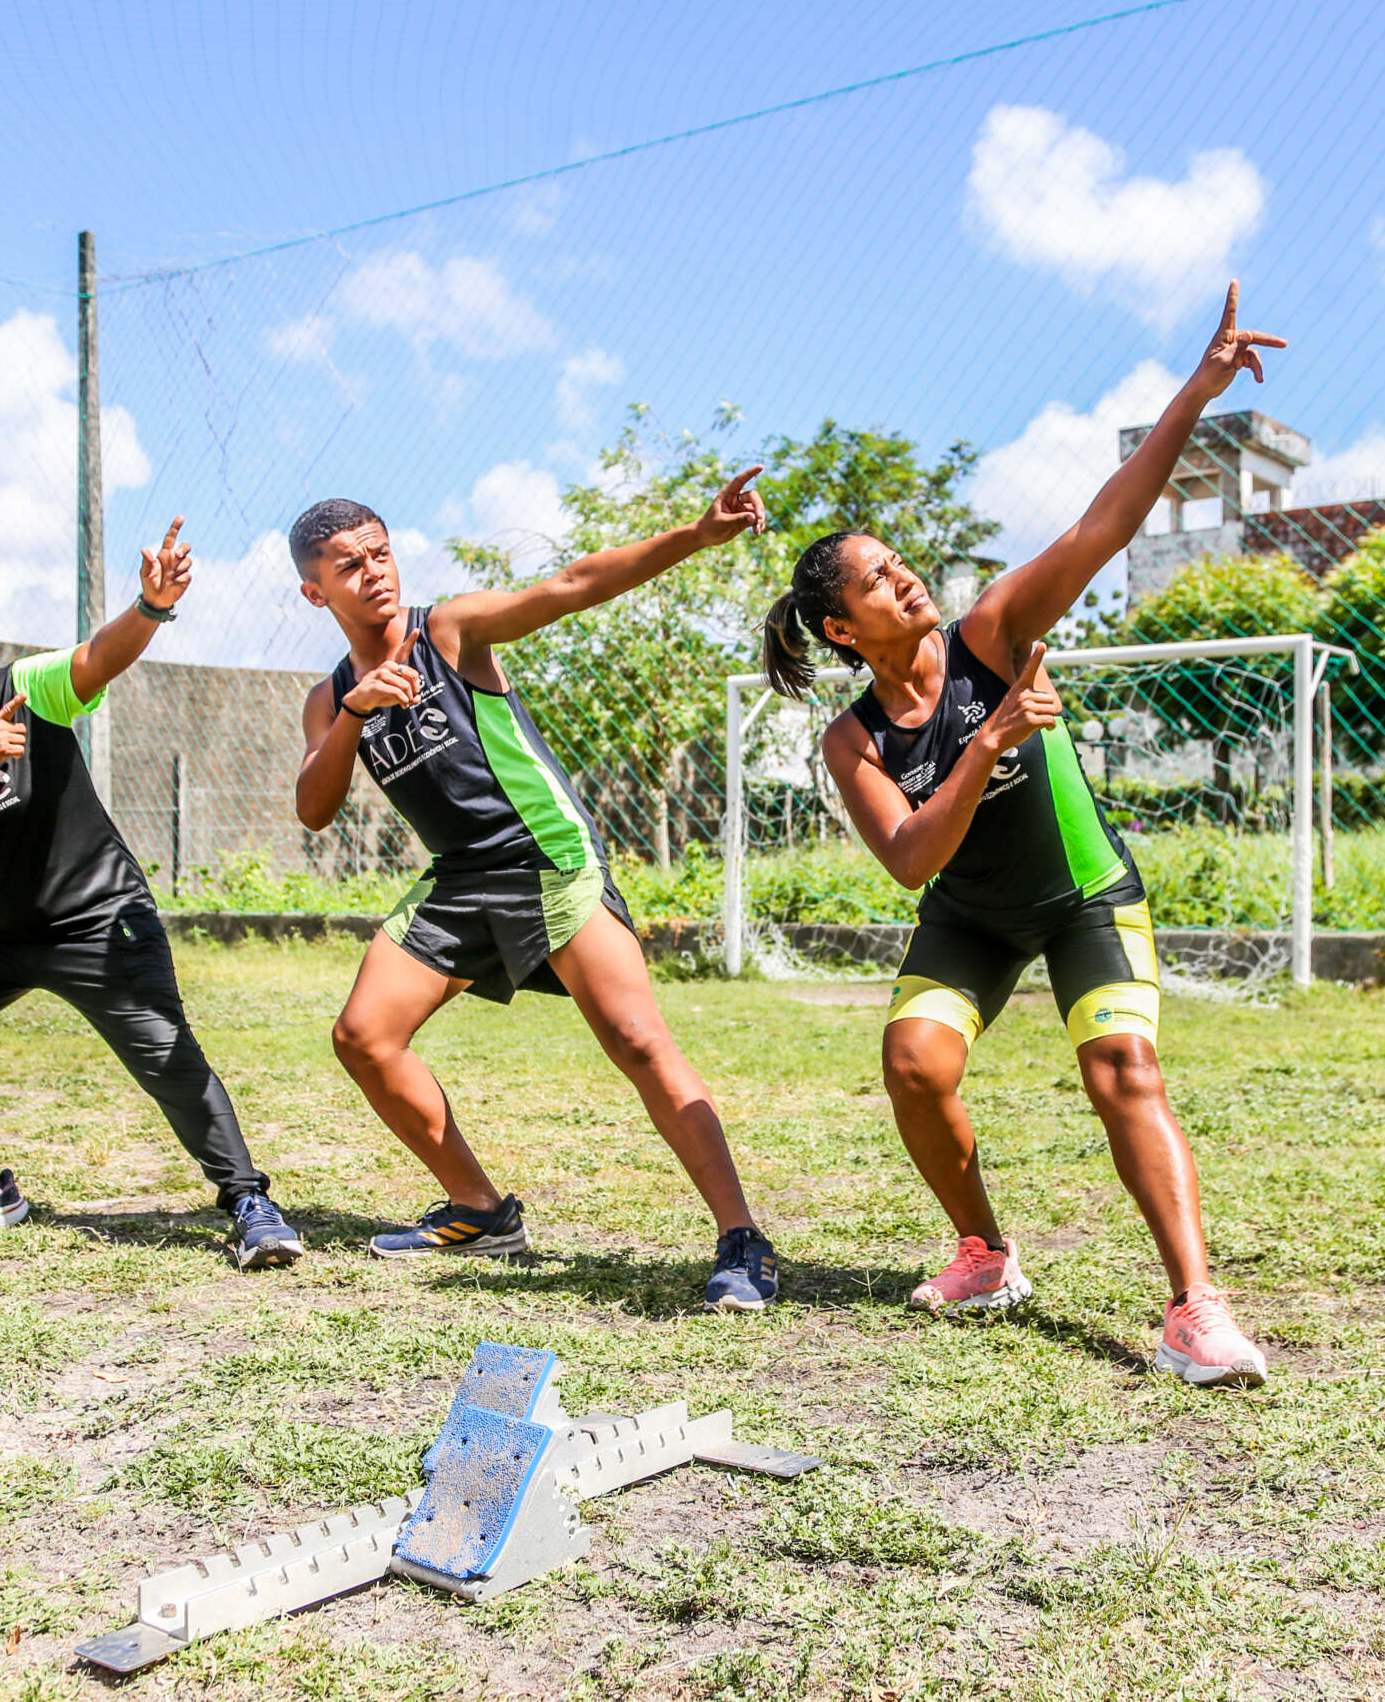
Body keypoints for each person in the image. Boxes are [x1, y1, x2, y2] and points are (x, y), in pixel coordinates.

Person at [758, 284, 1287, 1386]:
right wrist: (986, 747)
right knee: (913, 1063)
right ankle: (985, 1256)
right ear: (844, 629)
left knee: (1122, 1070)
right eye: (877, 583)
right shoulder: (850, 739)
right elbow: (911, 861)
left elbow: (1105, 523)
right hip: (970, 920)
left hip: (1084, 897)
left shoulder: (994, 630)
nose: (904, 579)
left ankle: (1196, 1308)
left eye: (901, 564)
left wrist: (1198, 388)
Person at [291, 471, 781, 1310]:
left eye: (381, 552)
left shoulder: (449, 630)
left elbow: (571, 586)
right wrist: (355, 715)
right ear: (315, 591)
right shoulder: (329, 696)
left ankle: (744, 1238)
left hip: (546, 855)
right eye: (349, 564)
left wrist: (695, 535)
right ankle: (481, 1210)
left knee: (635, 1039)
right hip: (460, 878)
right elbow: (313, 806)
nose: (374, 571)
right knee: (363, 1036)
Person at [0, 520, 305, 1270]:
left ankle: (249, 1201)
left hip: (99, 917)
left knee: (168, 1057)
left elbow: (98, 658)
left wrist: (151, 607)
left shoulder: (23, 689)